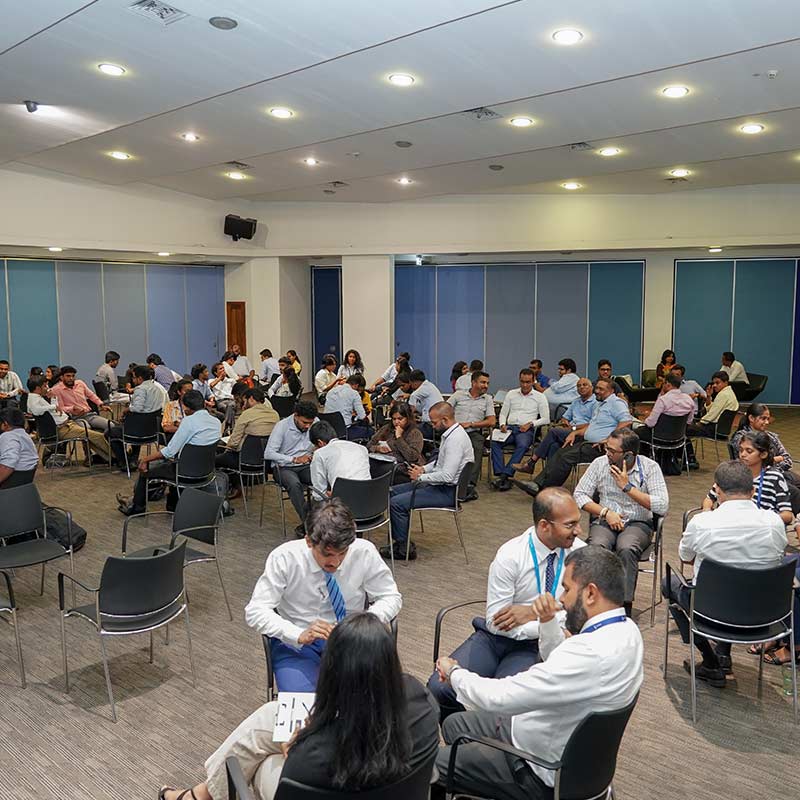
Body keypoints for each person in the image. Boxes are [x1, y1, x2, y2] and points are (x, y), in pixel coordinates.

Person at [432, 546, 643, 800]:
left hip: (538, 769)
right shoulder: (628, 632)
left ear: (590, 593)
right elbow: (560, 662)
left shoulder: (587, 655)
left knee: (430, 765)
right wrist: (547, 620)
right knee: (455, 724)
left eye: (567, 589)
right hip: (569, 754)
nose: (562, 599)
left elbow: (500, 697)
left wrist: (454, 672)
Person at [160, 613, 436, 800]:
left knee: (263, 763)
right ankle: (201, 795)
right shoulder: (421, 702)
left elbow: (302, 774)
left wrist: (298, 748)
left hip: (332, 784)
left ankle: (202, 796)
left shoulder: (310, 760)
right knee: (272, 714)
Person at [427, 488, 586, 721]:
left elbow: (577, 615)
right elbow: (495, 622)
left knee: (505, 703)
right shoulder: (511, 555)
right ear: (544, 525)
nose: (578, 530)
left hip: (536, 645)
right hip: (495, 638)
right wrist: (548, 619)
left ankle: (485, 736)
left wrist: (534, 613)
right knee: (439, 688)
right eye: (570, 525)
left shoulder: (580, 555)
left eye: (578, 522)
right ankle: (460, 738)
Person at [244, 498, 402, 691]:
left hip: (352, 641)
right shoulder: (284, 558)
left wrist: (362, 624)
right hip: (296, 643)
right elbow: (255, 611)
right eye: (327, 554)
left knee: (369, 694)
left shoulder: (364, 552)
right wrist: (297, 634)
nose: (336, 562)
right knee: (304, 701)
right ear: (309, 541)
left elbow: (391, 597)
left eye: (342, 553)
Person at [662, 459, 787, 686]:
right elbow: (777, 559)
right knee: (737, 585)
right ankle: (722, 656)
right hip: (763, 617)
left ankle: (710, 660)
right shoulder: (774, 522)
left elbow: (685, 558)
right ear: (753, 491)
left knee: (669, 582)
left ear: (717, 490)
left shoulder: (702, 522)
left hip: (711, 614)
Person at [574, 428, 669, 616]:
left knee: (626, 547)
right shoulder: (600, 464)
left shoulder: (650, 468)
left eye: (612, 450)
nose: (607, 453)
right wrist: (605, 512)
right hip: (606, 519)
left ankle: (623, 606)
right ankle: (594, 600)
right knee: (597, 546)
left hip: (637, 523)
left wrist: (628, 488)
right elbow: (579, 494)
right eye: (606, 448)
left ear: (628, 455)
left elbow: (662, 505)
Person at [383, 401, 473, 561]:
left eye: (434, 422)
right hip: (440, 486)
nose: (432, 425)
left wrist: (420, 477)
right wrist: (423, 469)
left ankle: (403, 549)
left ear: (445, 420)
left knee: (396, 503)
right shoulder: (452, 434)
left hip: (447, 491)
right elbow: (440, 462)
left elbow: (447, 476)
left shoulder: (455, 440)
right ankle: (400, 541)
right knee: (392, 492)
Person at [514, 378, 633, 496]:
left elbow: (627, 422)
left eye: (601, 389)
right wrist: (575, 433)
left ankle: (545, 490)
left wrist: (609, 439)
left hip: (601, 447)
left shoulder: (616, 403)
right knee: (560, 450)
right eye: (597, 388)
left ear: (611, 391)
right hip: (587, 441)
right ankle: (538, 484)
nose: (597, 391)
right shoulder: (600, 404)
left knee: (566, 457)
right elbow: (591, 426)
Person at [117, 390, 221, 516]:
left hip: (183, 472)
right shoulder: (216, 422)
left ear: (186, 408)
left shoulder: (188, 422)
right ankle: (172, 504)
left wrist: (145, 459)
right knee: (170, 464)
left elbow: (169, 451)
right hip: (206, 472)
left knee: (147, 469)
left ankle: (137, 506)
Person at [702, 431, 793, 525]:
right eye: (741, 450)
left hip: (760, 528)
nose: (743, 454)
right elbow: (709, 499)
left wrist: (763, 520)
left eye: (749, 451)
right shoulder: (732, 472)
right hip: (728, 525)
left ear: (763, 454)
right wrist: (707, 511)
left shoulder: (774, 477)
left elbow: (787, 515)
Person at [513, 377, 597, 474]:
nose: (581, 387)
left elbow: (593, 424)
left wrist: (573, 428)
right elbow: (565, 417)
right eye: (578, 386)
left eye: (584, 385)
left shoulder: (596, 403)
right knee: (554, 446)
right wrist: (565, 421)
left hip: (583, 435)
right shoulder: (576, 402)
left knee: (553, 432)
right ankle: (547, 477)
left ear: (591, 387)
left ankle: (532, 461)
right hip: (569, 432)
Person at [28, 375, 113, 464]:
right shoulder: (33, 400)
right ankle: (117, 456)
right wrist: (53, 406)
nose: (47, 388)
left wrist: (53, 398)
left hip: (67, 424)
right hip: (62, 429)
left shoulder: (38, 398)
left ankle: (108, 457)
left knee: (91, 437)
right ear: (38, 388)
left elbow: (54, 409)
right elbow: (37, 410)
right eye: (45, 386)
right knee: (97, 436)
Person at [264, 401, 317, 537]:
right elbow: (268, 453)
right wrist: (294, 459)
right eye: (304, 422)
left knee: (320, 480)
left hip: (305, 465)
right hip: (284, 467)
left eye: (310, 423)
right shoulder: (282, 426)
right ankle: (308, 523)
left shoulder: (315, 422)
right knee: (294, 485)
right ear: (296, 415)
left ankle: (319, 517)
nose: (308, 426)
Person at [491, 368, 550, 491]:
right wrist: (502, 424)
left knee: (522, 445)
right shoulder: (511, 394)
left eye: (528, 382)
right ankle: (501, 474)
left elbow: (546, 419)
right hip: (509, 428)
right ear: (519, 380)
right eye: (522, 382)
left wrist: (531, 424)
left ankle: (504, 476)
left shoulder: (540, 397)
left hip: (525, 430)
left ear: (533, 381)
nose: (525, 385)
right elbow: (503, 413)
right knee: (493, 442)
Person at [447, 371, 495, 501]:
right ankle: (448, 478)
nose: (486, 386)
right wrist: (453, 424)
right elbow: (444, 410)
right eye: (483, 382)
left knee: (477, 446)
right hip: (456, 430)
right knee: (450, 446)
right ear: (473, 382)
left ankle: (469, 485)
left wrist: (471, 424)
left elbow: (491, 421)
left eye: (487, 383)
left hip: (474, 432)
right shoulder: (458, 395)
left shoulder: (487, 399)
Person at [107, 365, 165, 467]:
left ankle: (125, 460)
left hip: (137, 432)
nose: (132, 380)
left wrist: (126, 410)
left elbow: (137, 408)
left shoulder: (140, 389)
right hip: (152, 431)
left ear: (140, 378)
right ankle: (133, 458)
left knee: (109, 432)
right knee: (136, 424)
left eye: (133, 377)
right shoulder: (158, 389)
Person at [215, 387, 279, 471]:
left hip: (244, 460)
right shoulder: (275, 415)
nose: (244, 405)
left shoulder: (247, 414)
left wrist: (227, 447)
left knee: (214, 459)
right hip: (266, 461)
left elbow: (233, 443)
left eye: (244, 401)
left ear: (251, 399)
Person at [685, 371, 739, 464]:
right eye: (713, 383)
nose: (714, 385)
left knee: (684, 430)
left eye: (717, 383)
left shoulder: (724, 395)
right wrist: (709, 397)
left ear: (726, 382)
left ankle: (689, 459)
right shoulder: (729, 393)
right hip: (720, 429)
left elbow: (712, 415)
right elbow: (712, 409)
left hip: (713, 428)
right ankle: (689, 458)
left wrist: (699, 423)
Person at [309, 421, 371, 500]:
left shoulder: (320, 453)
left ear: (320, 443)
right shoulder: (362, 448)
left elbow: (319, 494)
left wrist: (332, 494)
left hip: (343, 503)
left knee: (315, 500)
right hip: (369, 499)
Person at [367, 402, 425, 483]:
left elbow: (412, 457)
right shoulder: (386, 428)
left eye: (400, 419)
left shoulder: (415, 433)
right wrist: (377, 448)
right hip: (381, 462)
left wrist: (399, 438)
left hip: (402, 468)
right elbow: (369, 445)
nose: (396, 422)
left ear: (407, 418)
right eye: (394, 419)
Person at [635, 372, 695, 445]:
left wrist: (646, 419)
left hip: (658, 437)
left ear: (668, 384)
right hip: (679, 438)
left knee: (636, 432)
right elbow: (689, 421)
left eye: (663, 383)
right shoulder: (688, 399)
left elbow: (650, 424)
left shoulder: (663, 400)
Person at [49, 366, 112, 432]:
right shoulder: (56, 390)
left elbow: (91, 395)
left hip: (89, 414)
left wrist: (101, 404)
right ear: (61, 377)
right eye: (68, 376)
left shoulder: (80, 383)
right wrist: (72, 408)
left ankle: (105, 438)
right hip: (75, 418)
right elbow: (60, 408)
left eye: (73, 376)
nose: (71, 378)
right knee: (87, 429)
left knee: (110, 425)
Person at [323, 375, 372, 440]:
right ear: (356, 385)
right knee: (371, 431)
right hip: (344, 430)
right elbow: (362, 416)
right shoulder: (354, 393)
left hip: (328, 430)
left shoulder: (331, 391)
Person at [0, 408, 39, 488]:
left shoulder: (8, 435)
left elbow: (8, 464)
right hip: (23, 481)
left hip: (10, 483)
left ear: (5, 424)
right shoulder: (24, 435)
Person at [407, 369, 443, 438]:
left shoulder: (425, 387)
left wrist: (410, 415)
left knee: (409, 430)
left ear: (414, 382)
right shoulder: (429, 387)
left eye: (411, 384)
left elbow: (413, 396)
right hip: (435, 424)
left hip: (431, 426)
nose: (411, 387)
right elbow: (421, 407)